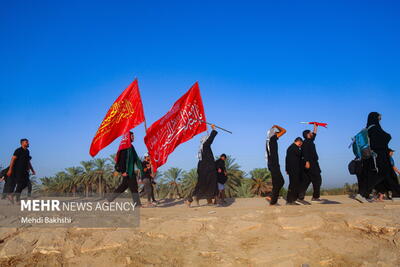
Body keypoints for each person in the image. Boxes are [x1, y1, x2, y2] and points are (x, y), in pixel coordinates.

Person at [362, 113, 400, 201]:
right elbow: (385, 137)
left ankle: (396, 194)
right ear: (375, 118)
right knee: (385, 175)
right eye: (379, 117)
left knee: (384, 175)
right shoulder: (375, 128)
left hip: (372, 156)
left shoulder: (368, 129)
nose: (380, 119)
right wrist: (388, 136)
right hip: (380, 156)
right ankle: (363, 193)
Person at [108, 132, 144, 206]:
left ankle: (109, 199)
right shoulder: (124, 148)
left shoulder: (132, 147)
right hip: (127, 172)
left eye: (133, 136)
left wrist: (142, 167)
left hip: (131, 172)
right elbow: (121, 160)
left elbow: (136, 159)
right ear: (128, 137)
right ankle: (137, 204)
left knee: (123, 187)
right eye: (132, 136)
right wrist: (123, 171)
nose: (133, 137)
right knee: (133, 188)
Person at [186, 125, 218, 207]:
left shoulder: (202, 149)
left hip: (205, 170)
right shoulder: (205, 146)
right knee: (203, 185)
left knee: (207, 185)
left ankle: (209, 201)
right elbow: (210, 139)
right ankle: (189, 201)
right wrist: (213, 130)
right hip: (207, 170)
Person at [299, 123, 323, 202]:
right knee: (317, 179)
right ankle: (315, 197)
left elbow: (315, 134)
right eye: (310, 133)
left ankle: (300, 197)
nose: (312, 133)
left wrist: (315, 126)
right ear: (307, 135)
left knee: (306, 180)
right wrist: (307, 162)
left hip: (314, 163)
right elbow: (304, 153)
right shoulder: (305, 143)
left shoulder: (310, 140)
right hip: (310, 164)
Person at [6, 139, 35, 203]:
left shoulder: (27, 151)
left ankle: (12, 195)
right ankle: (17, 200)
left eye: (28, 142)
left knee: (26, 184)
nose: (28, 143)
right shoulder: (18, 150)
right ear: (22, 143)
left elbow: (28, 161)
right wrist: (10, 170)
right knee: (20, 184)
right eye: (26, 142)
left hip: (25, 171)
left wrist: (32, 170)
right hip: (18, 171)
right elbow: (12, 160)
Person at [265, 125, 286, 205]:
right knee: (280, 182)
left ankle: (272, 199)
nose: (277, 134)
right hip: (274, 164)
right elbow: (284, 131)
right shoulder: (272, 139)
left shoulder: (268, 140)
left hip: (272, 164)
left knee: (277, 182)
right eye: (276, 132)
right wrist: (276, 126)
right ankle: (272, 198)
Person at [285, 137, 303, 205]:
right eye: (301, 143)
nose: (301, 145)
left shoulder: (290, 147)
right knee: (293, 184)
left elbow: (286, 159)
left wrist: (287, 169)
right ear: (299, 141)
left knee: (294, 184)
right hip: (294, 169)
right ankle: (290, 200)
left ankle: (291, 200)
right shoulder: (294, 148)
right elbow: (300, 154)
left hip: (292, 169)